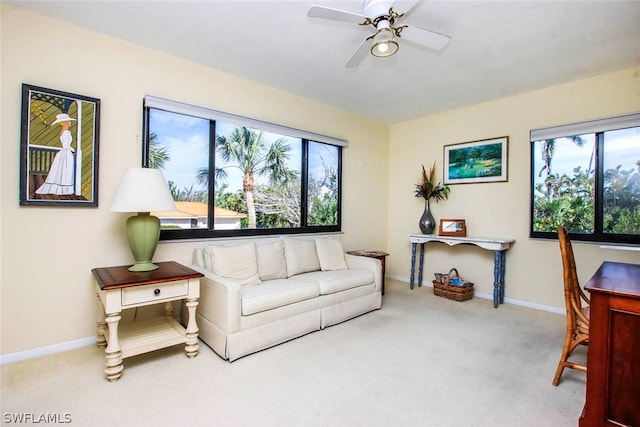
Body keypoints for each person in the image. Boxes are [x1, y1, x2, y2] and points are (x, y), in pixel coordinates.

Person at [36, 113, 76, 195]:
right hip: (66, 153)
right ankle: (63, 189)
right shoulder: (67, 132)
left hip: (64, 153)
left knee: (61, 170)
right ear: (66, 122)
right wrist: (73, 150)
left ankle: (59, 188)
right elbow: (66, 145)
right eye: (69, 121)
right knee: (64, 170)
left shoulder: (63, 131)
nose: (70, 123)